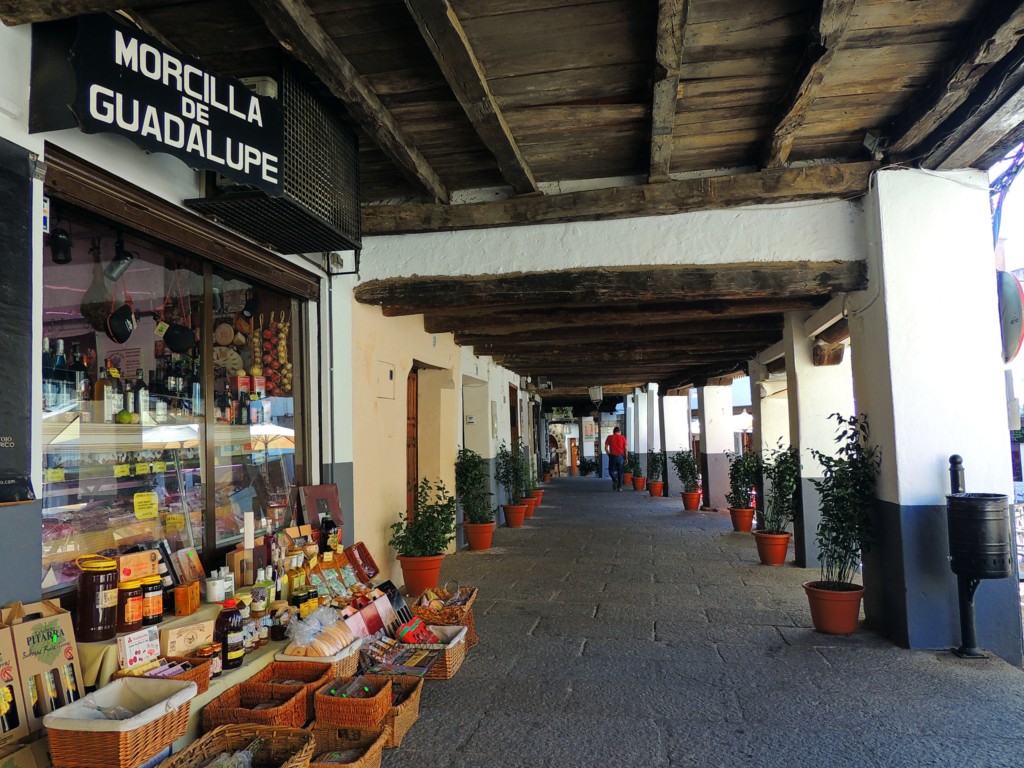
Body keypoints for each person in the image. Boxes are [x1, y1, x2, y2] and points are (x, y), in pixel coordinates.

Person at [604, 427, 628, 491]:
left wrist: (609, 455)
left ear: (613, 432)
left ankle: (615, 479)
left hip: (612, 456)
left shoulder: (609, 437)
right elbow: (625, 449)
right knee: (620, 472)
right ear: (619, 432)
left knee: (611, 471)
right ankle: (619, 487)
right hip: (621, 457)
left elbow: (606, 448)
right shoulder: (622, 437)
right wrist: (626, 458)